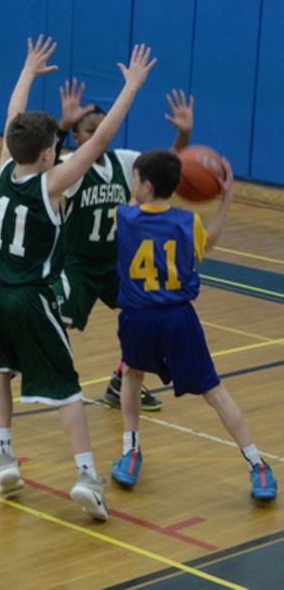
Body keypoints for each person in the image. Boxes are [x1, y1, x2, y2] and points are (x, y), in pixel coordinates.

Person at [0, 35, 156, 520]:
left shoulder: (3, 170)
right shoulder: (51, 182)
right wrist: (132, 86)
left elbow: (14, 117)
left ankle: (5, 458)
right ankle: (86, 476)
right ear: (47, 153)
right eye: (55, 146)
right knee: (69, 390)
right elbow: (98, 142)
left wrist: (26, 71)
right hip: (29, 297)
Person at [0, 88, 193, 421]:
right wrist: (62, 128)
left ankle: (119, 381)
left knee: (151, 318)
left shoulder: (125, 161)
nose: (96, 135)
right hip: (76, 267)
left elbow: (163, 167)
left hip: (115, 266)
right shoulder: (67, 167)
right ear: (78, 138)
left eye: (100, 128)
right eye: (88, 131)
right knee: (43, 333)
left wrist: (183, 135)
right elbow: (40, 168)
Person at [110, 149, 277, 501]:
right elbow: (208, 241)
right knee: (213, 390)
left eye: (135, 179)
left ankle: (131, 451)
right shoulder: (189, 223)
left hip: (138, 318)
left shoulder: (122, 216)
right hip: (178, 319)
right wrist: (226, 200)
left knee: (132, 375)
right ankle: (257, 464)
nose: (132, 184)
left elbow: (134, 202)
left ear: (145, 185)